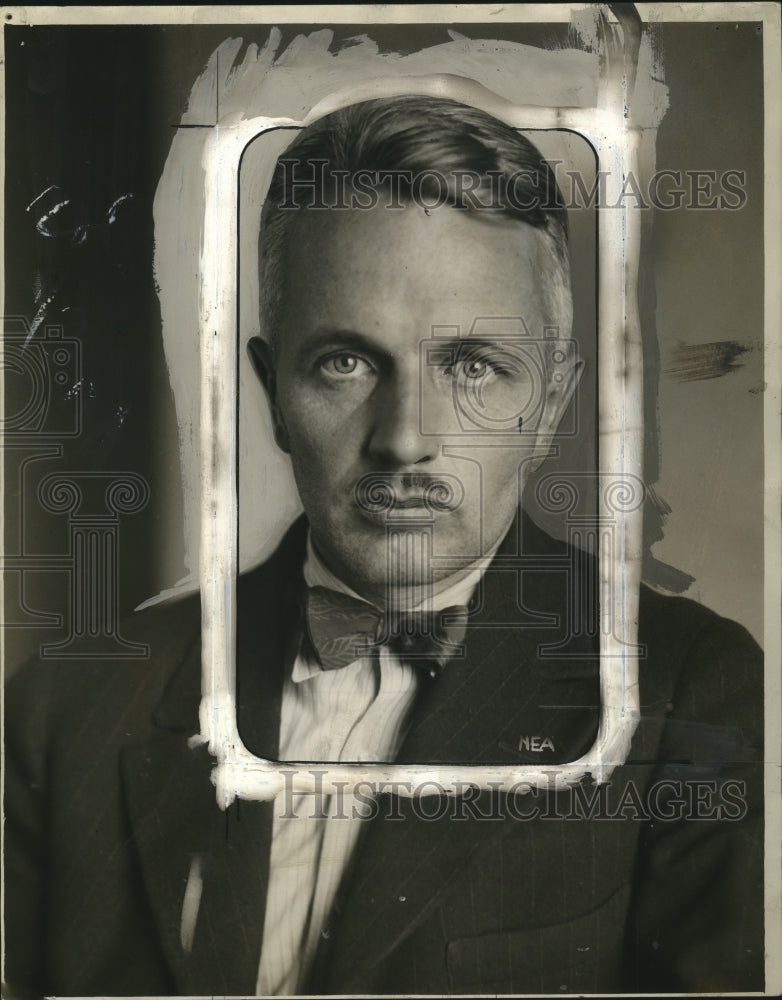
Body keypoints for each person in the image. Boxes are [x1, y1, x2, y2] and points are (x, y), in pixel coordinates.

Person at [4, 96, 764, 997]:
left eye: (473, 365)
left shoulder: (688, 689)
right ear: (271, 392)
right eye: (346, 361)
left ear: (550, 406)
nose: (404, 440)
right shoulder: (64, 709)